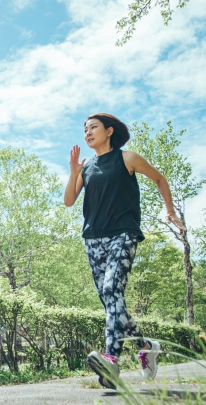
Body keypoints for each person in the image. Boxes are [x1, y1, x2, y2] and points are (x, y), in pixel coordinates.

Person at [63, 113, 186, 389]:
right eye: (85, 129)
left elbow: (159, 179)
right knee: (112, 303)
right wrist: (73, 172)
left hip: (124, 233)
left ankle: (111, 359)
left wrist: (170, 211)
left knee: (111, 292)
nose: (88, 133)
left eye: (93, 127)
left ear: (109, 131)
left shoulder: (127, 158)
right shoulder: (87, 168)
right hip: (93, 239)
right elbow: (69, 201)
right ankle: (146, 347)